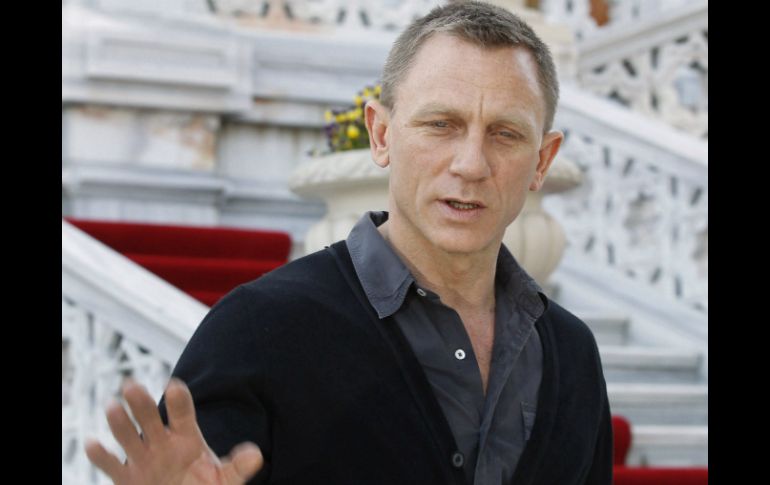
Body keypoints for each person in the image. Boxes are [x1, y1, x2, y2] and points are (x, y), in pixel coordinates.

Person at [84, 1, 613, 484]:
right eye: (441, 124)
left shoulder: (573, 353)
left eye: (505, 133)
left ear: (542, 161)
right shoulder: (259, 329)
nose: (471, 164)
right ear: (381, 135)